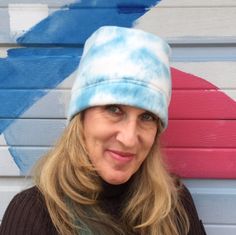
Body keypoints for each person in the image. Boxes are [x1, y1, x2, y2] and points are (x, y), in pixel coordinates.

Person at [0, 26, 207, 235]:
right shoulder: (35, 214)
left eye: (147, 117)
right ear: (81, 117)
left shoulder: (173, 205)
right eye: (114, 109)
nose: (129, 139)